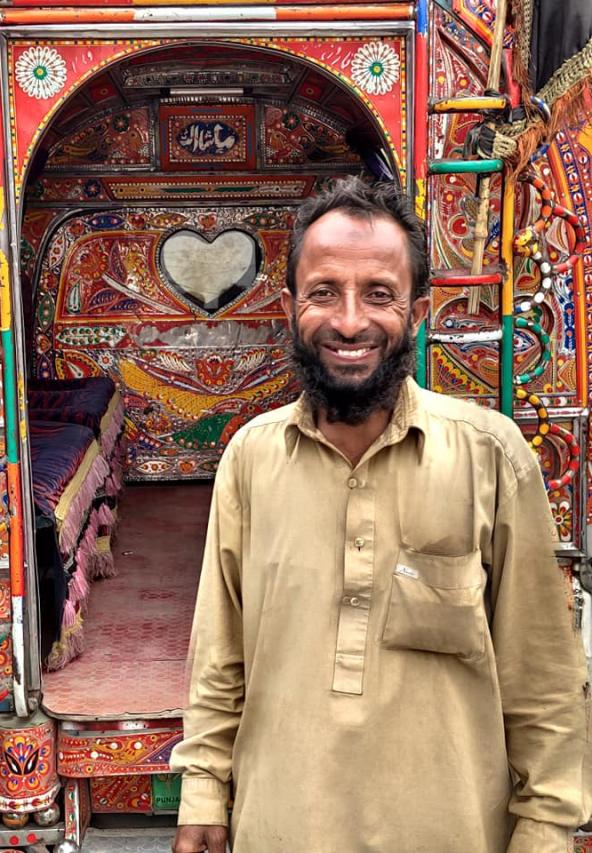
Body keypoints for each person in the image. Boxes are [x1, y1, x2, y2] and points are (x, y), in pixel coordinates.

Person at [171, 176, 590, 853]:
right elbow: (219, 657)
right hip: (280, 828)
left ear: (416, 312)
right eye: (324, 292)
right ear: (290, 307)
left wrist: (545, 827)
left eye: (378, 294)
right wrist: (202, 791)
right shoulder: (251, 457)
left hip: (451, 833)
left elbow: (543, 675)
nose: (348, 321)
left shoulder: (489, 457)